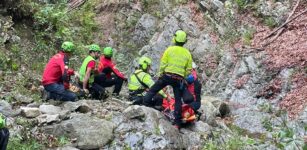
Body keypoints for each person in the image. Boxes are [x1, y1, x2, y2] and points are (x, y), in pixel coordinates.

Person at [143, 30, 193, 129]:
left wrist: (161, 74)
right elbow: (189, 70)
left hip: (167, 76)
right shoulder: (187, 53)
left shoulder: (169, 50)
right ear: (184, 41)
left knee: (153, 89)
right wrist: (183, 75)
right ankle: (177, 123)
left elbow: (163, 64)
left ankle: (145, 105)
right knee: (178, 100)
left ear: (174, 39)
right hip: (179, 79)